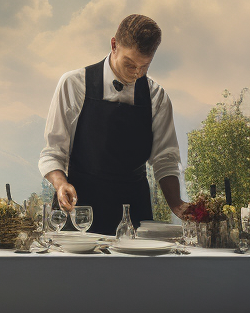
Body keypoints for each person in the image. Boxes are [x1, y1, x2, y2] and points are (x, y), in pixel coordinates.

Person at [39, 14, 184, 233]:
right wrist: (61, 185)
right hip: (80, 209)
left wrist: (177, 204)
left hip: (134, 211)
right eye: (130, 64)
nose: (136, 74)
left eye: (144, 67)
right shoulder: (73, 84)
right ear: (114, 45)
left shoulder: (157, 97)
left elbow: (165, 159)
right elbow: (53, 152)